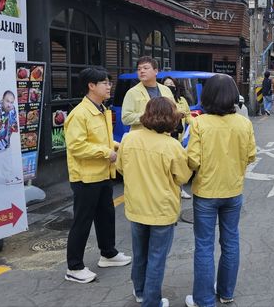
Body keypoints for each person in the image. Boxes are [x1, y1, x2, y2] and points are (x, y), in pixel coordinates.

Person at [184, 74, 256, 307]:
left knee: (204, 245)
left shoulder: (199, 123)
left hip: (205, 192)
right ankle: (226, 293)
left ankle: (204, 300)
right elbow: (251, 155)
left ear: (207, 96)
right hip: (233, 191)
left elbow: (193, 161)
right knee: (231, 241)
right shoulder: (244, 123)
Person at [117, 97, 192, 307]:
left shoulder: (129, 139)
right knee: (157, 258)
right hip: (162, 210)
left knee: (140, 253)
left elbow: (121, 167)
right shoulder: (172, 146)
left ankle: (140, 291)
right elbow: (183, 177)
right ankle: (151, 301)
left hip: (136, 207)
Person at [64, 67, 131, 284]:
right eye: (104, 83)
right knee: (82, 222)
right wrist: (106, 152)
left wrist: (115, 145)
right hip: (85, 177)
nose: (109, 86)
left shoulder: (102, 109)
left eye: (108, 82)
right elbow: (76, 146)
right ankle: (74, 267)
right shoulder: (79, 114)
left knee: (106, 215)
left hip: (103, 173)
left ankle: (108, 253)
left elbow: (99, 140)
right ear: (91, 86)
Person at [122, 56, 173, 131]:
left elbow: (173, 111)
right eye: (139, 69)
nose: (142, 71)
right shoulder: (132, 92)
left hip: (163, 135)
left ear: (156, 71)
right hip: (141, 138)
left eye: (145, 68)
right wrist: (149, 116)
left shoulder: (166, 90)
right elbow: (126, 118)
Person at [162, 77, 193, 200]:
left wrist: (197, 124)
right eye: (166, 85)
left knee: (178, 164)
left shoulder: (182, 100)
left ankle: (179, 189)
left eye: (171, 84)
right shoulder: (161, 101)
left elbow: (189, 116)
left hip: (178, 136)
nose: (169, 87)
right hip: (164, 135)